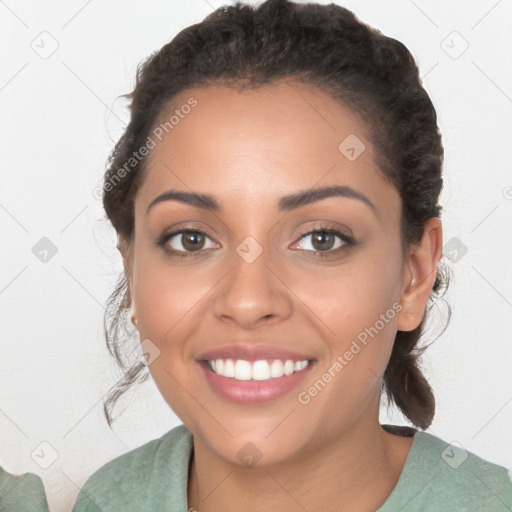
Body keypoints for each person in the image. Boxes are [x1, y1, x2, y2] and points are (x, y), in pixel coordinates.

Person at [72, 1, 512, 510]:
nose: (247, 301)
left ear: (413, 276)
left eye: (322, 239)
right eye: (191, 239)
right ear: (132, 268)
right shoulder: (108, 501)